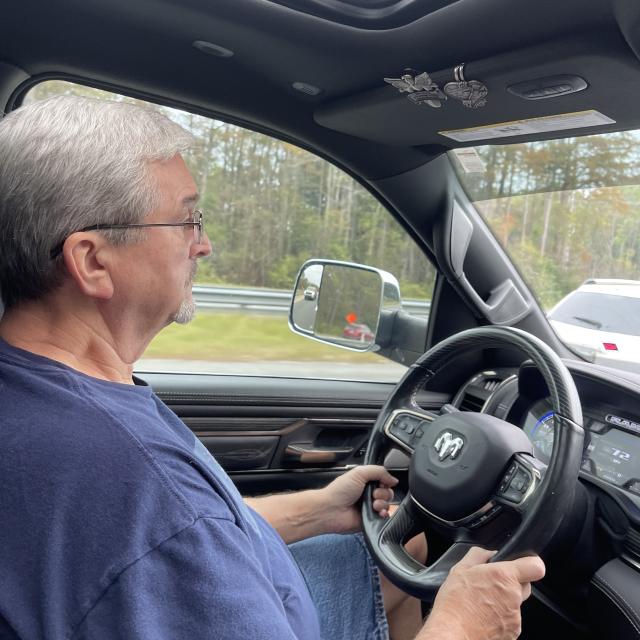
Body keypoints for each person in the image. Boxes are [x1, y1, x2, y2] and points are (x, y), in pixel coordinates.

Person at [0, 95, 545, 640]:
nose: (204, 244)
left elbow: (196, 537)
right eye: (187, 219)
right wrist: (466, 625)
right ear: (93, 261)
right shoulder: (138, 484)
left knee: (406, 552)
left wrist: (318, 510)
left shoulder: (41, 388)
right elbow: (171, 535)